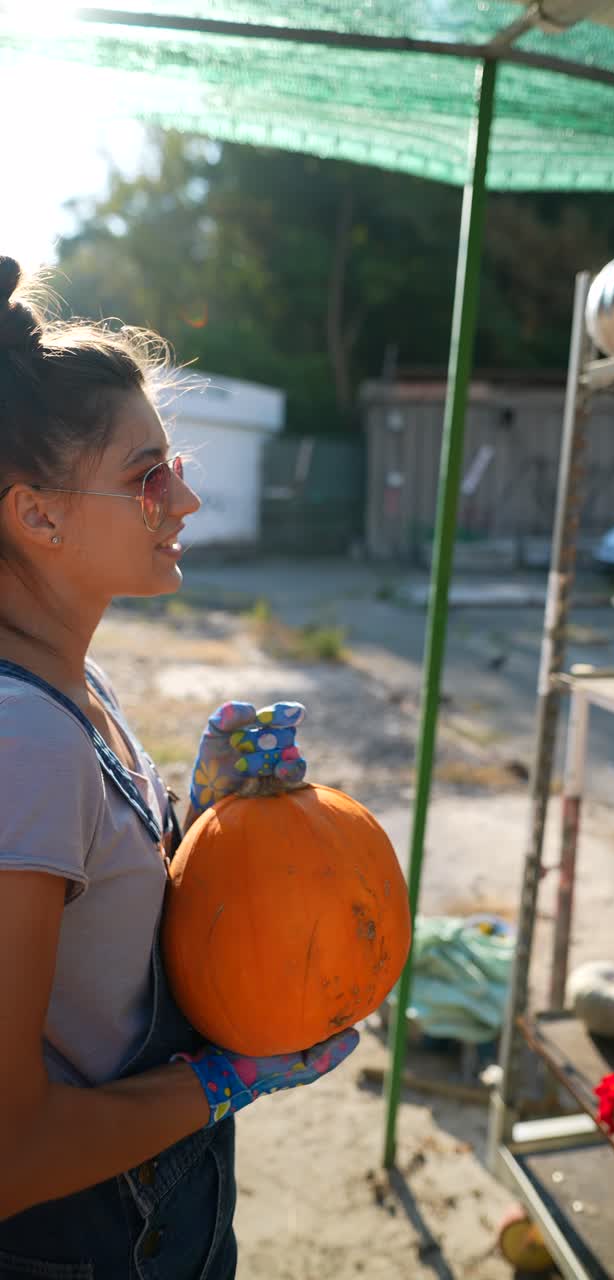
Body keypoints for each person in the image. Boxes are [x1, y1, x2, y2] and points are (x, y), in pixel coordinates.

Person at [0, 256, 358, 1278]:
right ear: (37, 514)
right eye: (147, 474)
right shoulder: (21, 740)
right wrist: (224, 1078)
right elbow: (7, 1154)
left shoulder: (80, 684)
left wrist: (198, 824)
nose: (187, 498)